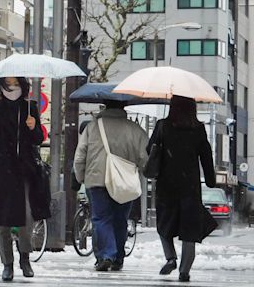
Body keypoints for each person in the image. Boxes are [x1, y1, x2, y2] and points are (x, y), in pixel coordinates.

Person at [0, 77, 46, 282]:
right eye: (7, 85)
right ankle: (7, 264)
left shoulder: (29, 107)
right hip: (2, 173)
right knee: (3, 222)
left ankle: (25, 257)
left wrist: (32, 127)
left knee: (26, 218)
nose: (11, 89)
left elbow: (39, 139)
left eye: (15, 84)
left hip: (25, 171)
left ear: (23, 86)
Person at [147, 95, 216, 283]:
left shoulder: (163, 126)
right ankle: (184, 271)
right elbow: (206, 156)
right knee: (189, 229)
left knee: (164, 224)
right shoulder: (198, 129)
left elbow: (149, 150)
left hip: (166, 185)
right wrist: (211, 180)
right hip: (190, 187)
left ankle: (170, 257)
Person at [73, 100, 148, 272]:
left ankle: (106, 255)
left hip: (96, 180)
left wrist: (80, 176)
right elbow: (146, 158)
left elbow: (79, 156)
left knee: (101, 218)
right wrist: (141, 171)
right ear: (123, 108)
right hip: (124, 182)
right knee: (120, 220)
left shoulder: (92, 128)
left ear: (104, 107)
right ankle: (118, 258)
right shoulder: (135, 130)